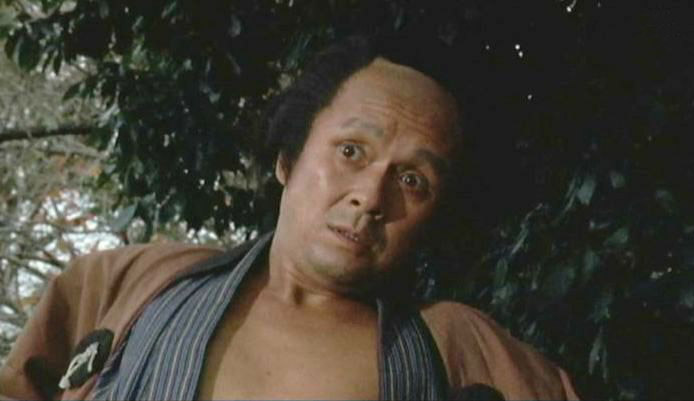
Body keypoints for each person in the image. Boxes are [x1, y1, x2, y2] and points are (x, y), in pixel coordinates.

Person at [0, 36, 579, 400]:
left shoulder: (460, 350)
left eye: (412, 181)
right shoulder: (128, 285)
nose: (371, 196)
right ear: (288, 159)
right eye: (351, 151)